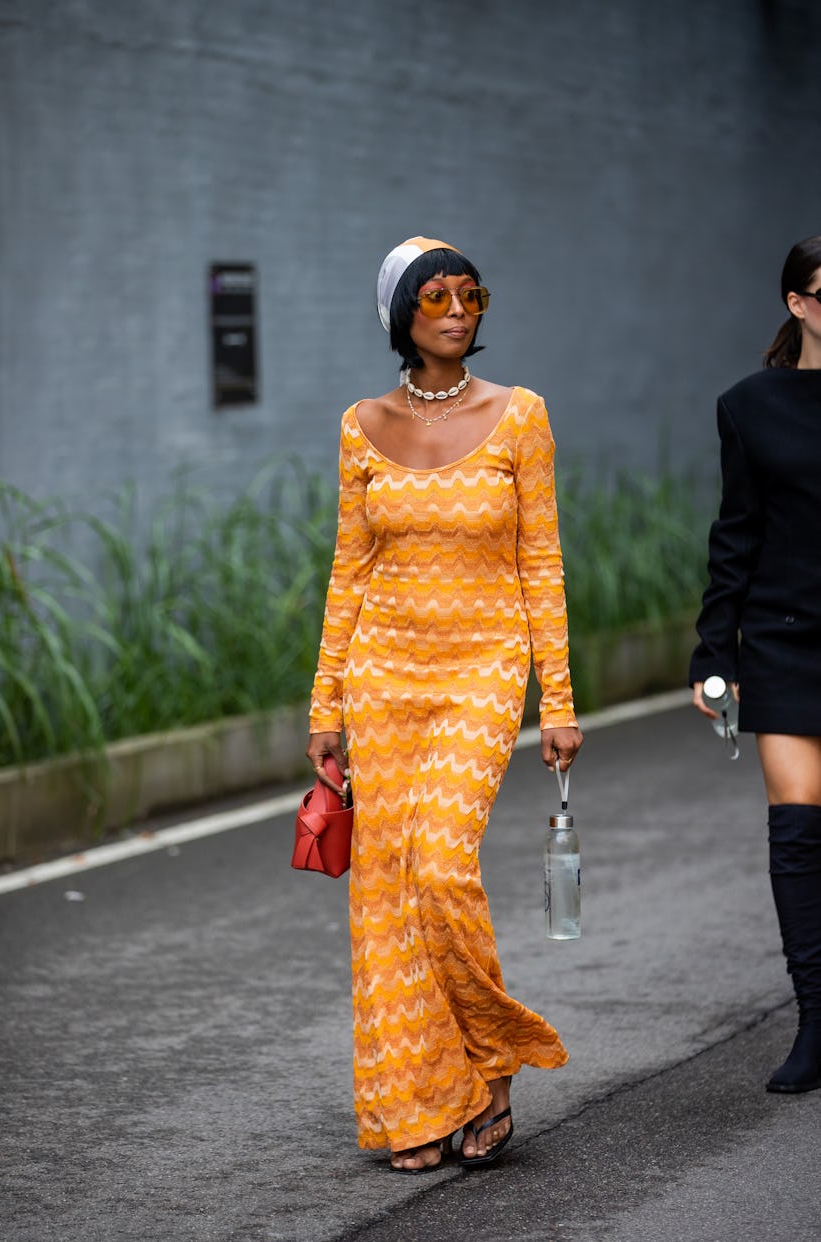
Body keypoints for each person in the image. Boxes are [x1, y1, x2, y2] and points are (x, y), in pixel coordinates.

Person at [306, 235, 583, 1172]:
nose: (458, 310)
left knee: (440, 869)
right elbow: (350, 569)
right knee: (384, 896)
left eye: (472, 295)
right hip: (380, 675)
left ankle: (494, 1060)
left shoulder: (522, 416)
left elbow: (540, 562)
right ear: (401, 317)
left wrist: (560, 701)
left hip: (482, 667)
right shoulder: (359, 424)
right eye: (436, 298)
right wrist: (324, 707)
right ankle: (422, 1105)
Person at [690, 234, 821, 1094]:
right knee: (799, 827)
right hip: (786, 639)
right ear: (800, 304)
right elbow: (736, 534)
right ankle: (818, 1020)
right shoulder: (750, 405)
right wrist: (715, 652)